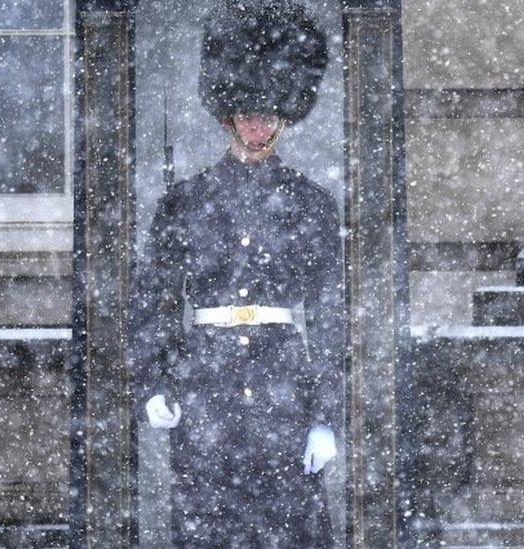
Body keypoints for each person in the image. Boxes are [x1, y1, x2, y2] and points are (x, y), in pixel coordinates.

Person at [127, 1, 341, 546]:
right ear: (228, 117)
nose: (257, 124)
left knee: (288, 526)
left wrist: (326, 415)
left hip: (282, 386)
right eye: (247, 112)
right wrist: (154, 381)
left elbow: (331, 314)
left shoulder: (310, 203)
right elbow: (152, 299)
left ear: (284, 118)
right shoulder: (185, 201)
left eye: (268, 113)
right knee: (207, 526)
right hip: (206, 384)